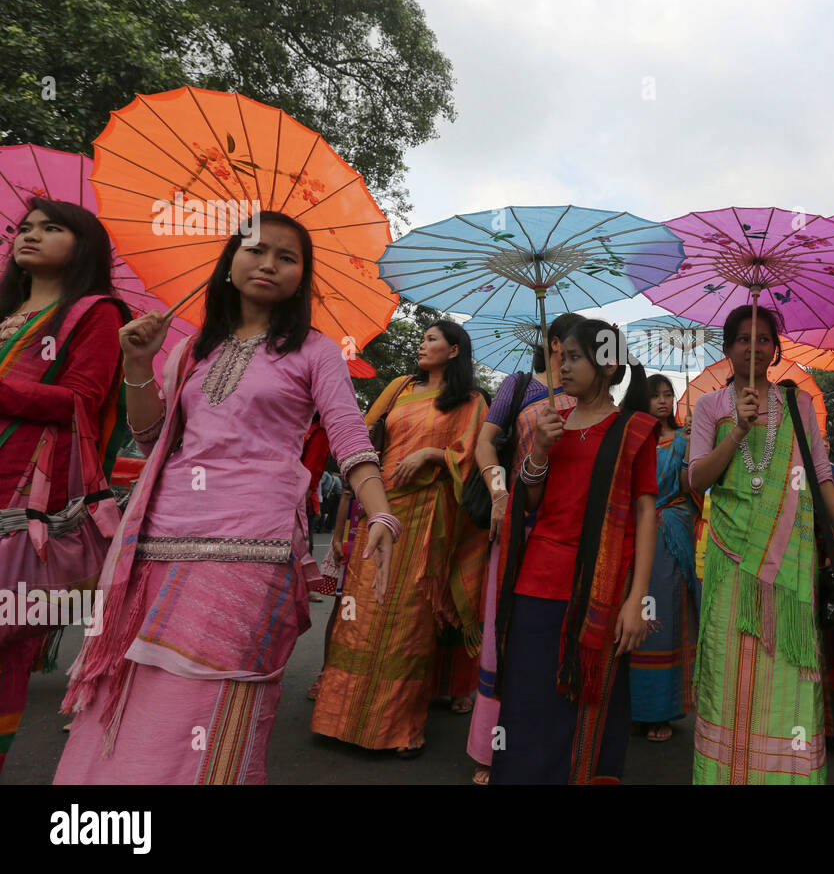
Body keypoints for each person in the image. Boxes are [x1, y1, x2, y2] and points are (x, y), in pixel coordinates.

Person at [55, 211, 394, 785]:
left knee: (217, 687)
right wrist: (138, 362)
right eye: (256, 250)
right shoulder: (189, 350)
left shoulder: (314, 351)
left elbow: (348, 434)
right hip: (160, 536)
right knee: (141, 684)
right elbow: (152, 437)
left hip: (253, 544)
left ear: (301, 277)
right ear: (230, 263)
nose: (269, 264)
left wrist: (379, 507)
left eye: (287, 258)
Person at [690, 304, 834, 785]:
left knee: (783, 671)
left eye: (763, 338)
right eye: (743, 338)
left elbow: (823, 477)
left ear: (774, 349)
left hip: (790, 563)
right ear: (727, 349)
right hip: (730, 559)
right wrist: (738, 429)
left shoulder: (798, 403)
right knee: (729, 671)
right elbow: (696, 479)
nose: (753, 346)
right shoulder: (711, 406)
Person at [491, 319, 657, 784]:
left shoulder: (634, 431)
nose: (561, 366)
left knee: (586, 704)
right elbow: (532, 502)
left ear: (607, 365)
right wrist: (539, 451)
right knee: (526, 702)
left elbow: (646, 515)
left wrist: (637, 599)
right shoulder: (551, 424)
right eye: (559, 357)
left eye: (574, 358)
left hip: (600, 591)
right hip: (536, 584)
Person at [312, 320, 488, 757]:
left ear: (454, 350)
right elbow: (360, 437)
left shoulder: (470, 401)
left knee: (409, 619)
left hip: (428, 520)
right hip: (379, 513)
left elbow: (472, 458)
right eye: (423, 337)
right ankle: (338, 718)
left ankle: (400, 729)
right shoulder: (399, 388)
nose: (422, 344)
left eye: (431, 339)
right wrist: (345, 516)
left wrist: (432, 454)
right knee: (360, 611)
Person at [0, 198, 128, 776]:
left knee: (6, 649)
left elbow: (81, 400)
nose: (30, 235)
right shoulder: (6, 312)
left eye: (51, 228)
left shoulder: (96, 313)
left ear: (83, 248)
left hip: (24, 503)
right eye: (24, 227)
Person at [466, 312, 580, 784]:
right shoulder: (517, 385)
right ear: (554, 343)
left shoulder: (591, 396)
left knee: (552, 637)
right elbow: (485, 445)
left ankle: (554, 746)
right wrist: (499, 493)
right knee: (504, 627)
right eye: (571, 346)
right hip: (516, 520)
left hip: (567, 527)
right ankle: (493, 749)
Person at [629, 374, 700, 743]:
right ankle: (633, 706)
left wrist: (692, 454)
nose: (662, 400)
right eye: (654, 395)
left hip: (672, 537)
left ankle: (661, 711)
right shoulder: (633, 440)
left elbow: (693, 491)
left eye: (667, 394)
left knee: (667, 621)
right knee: (634, 617)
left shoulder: (686, 440)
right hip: (636, 537)